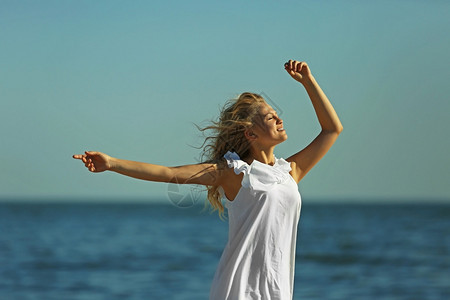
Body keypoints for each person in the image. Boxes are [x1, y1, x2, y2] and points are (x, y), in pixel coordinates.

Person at [73, 60, 343, 299]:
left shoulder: (290, 171)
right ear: (250, 134)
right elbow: (169, 173)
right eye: (270, 117)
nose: (279, 119)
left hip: (278, 290)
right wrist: (111, 163)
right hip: (240, 289)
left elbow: (332, 129)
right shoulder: (235, 173)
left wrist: (308, 81)